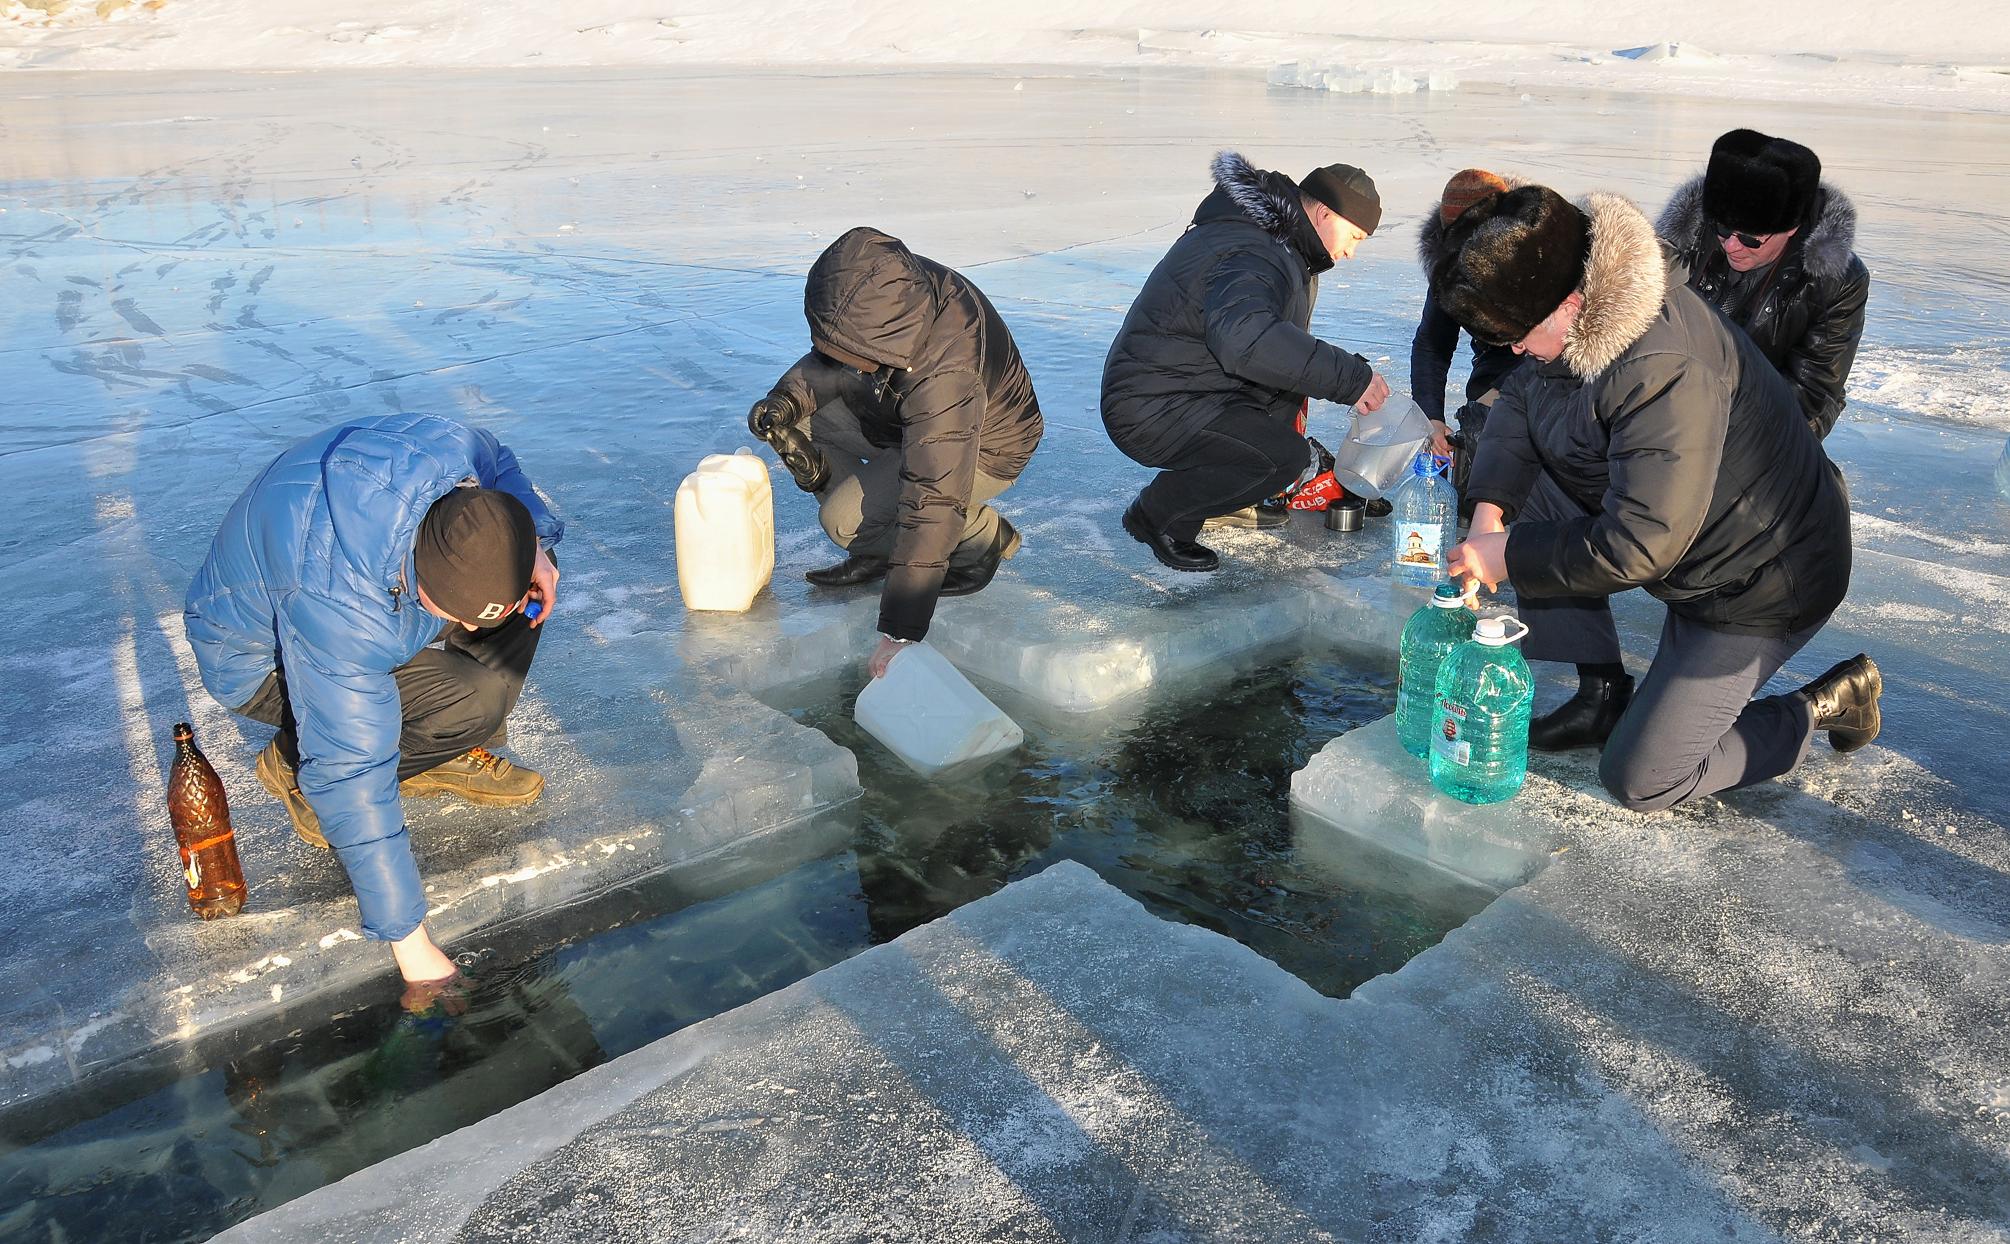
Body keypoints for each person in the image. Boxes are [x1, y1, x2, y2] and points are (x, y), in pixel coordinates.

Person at [1430, 183, 1882, 812]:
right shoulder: (1588, 316)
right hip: (1695, 546)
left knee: (1643, 779)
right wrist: (1490, 511)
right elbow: (1522, 398)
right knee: (1524, 505)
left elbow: (1643, 541)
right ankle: (1601, 694)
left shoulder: (1662, 364)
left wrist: (1507, 558)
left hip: (1762, 579)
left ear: (1570, 303)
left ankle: (1819, 708)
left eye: (1520, 333)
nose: (1513, 349)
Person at [184, 413, 562, 986]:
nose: (472, 627)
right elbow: (352, 768)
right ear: (423, 588)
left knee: (526, 594)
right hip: (260, 661)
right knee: (472, 700)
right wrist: (414, 952)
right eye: (458, 617)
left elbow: (497, 457)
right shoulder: (338, 607)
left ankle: (432, 743)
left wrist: (532, 543)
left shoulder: (451, 452)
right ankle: (296, 765)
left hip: (369, 584)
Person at [748, 227, 1043, 677]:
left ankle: (982, 538)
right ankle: (879, 544)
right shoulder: (887, 291)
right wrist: (784, 402)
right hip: (901, 420)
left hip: (984, 447)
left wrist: (901, 630)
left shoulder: (949, 370)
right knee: (798, 422)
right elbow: (829, 361)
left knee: (842, 521)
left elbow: (933, 497)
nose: (835, 353)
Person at [1101, 150, 1392, 572]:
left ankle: (1224, 497)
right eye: (1355, 237)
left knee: (1284, 411)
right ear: (1327, 214)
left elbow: (1270, 348)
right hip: (1153, 404)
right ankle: (1159, 515)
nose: (1351, 253)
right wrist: (1350, 378)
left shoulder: (1276, 241)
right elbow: (1247, 339)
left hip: (1190, 387)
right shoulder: (1257, 249)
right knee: (1280, 458)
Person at [1656, 128, 1869, 439]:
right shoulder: (1682, 242)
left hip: (1775, 420)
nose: (1731, 246)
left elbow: (1809, 392)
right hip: (1675, 395)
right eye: (1724, 229)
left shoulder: (1836, 283)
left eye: (1749, 240)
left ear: (1792, 229)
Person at [1410, 168, 1523, 506]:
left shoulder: (1545, 251)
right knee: (1479, 461)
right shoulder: (1449, 266)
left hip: (1565, 366)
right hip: (1498, 361)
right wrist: (1431, 416)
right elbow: (1432, 344)